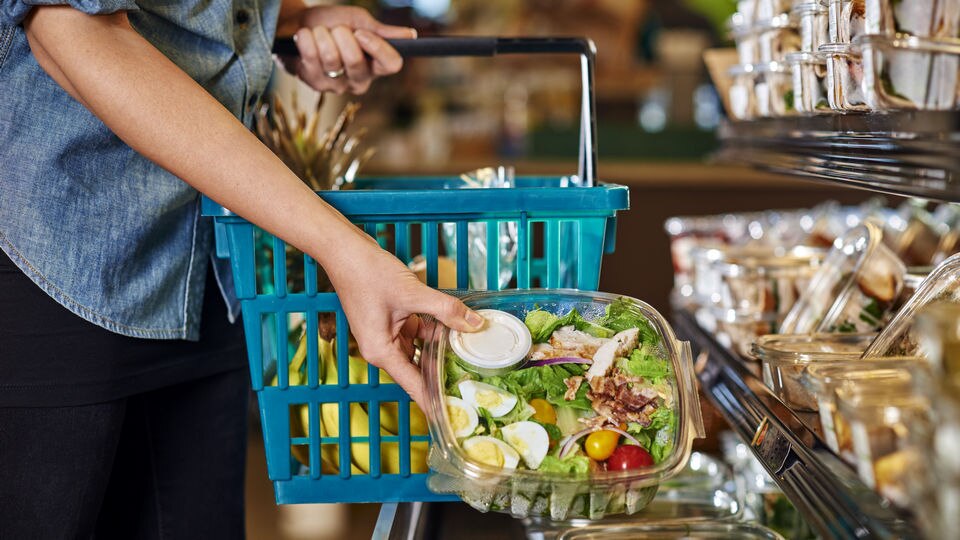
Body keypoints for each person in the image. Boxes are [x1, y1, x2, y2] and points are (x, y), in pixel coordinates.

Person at [0, 1, 482, 537]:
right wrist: (343, 249)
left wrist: (293, 20)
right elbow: (73, 31)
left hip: (209, 268)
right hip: (58, 262)